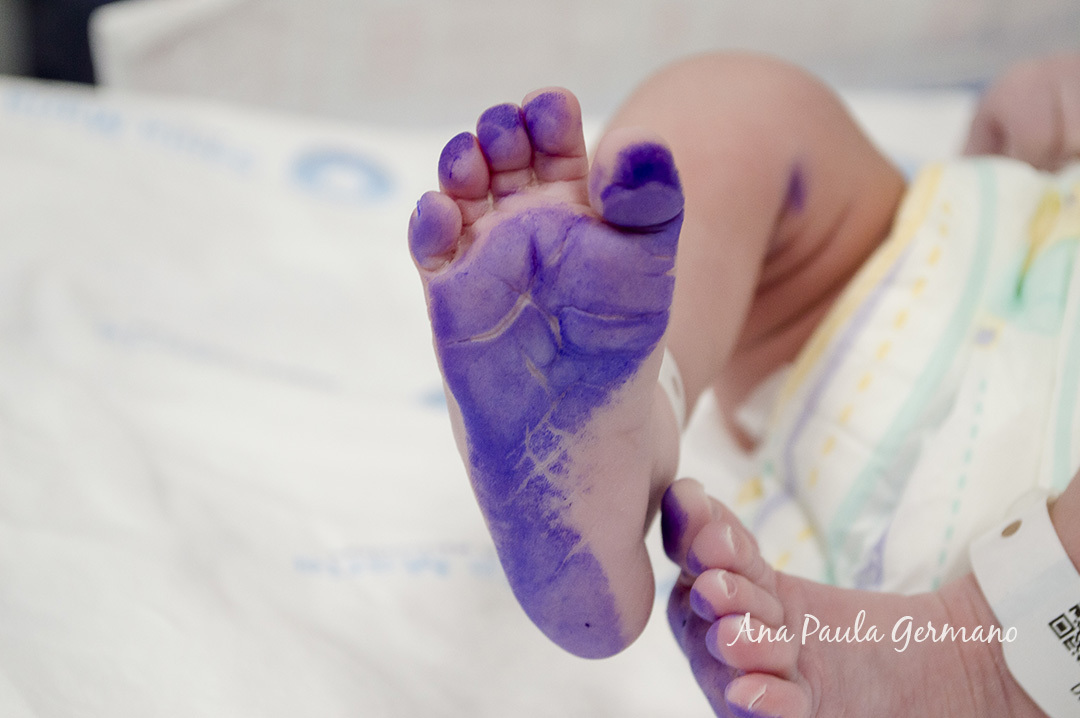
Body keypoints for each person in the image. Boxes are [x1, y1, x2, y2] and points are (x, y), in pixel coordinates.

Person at [406, 51, 1080, 717]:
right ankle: (637, 423)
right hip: (955, 293)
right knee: (741, 110)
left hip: (1018, 642)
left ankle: (988, 667)